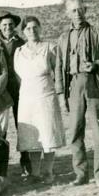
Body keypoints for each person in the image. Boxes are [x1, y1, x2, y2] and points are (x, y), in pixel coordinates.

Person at [55, 0, 99, 188]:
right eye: (73, 10)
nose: (77, 13)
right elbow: (58, 67)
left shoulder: (98, 33)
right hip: (73, 86)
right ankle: (81, 174)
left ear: (86, 10)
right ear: (67, 13)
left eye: (80, 9)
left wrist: (97, 65)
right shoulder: (63, 38)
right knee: (75, 132)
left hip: (94, 85)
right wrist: (61, 94)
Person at [14, 16, 65, 184]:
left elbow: (58, 71)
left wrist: (60, 93)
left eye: (35, 27)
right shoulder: (19, 51)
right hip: (27, 98)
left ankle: (48, 172)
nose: (32, 31)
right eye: (28, 28)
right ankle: (35, 173)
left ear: (40, 28)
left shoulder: (50, 47)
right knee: (32, 137)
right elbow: (18, 76)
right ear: (23, 31)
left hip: (46, 96)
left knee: (48, 134)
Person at [0, 10, 30, 176]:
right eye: (4, 25)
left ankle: (26, 163)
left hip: (19, 90)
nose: (7, 27)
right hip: (0, 91)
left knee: (23, 127)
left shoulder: (22, 43)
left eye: (11, 25)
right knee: (0, 130)